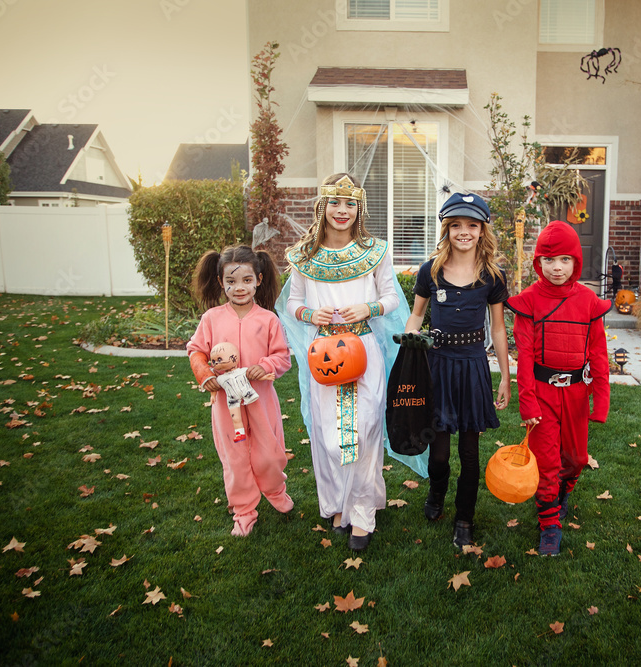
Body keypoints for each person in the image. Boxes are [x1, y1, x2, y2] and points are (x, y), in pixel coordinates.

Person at [281, 172, 414, 552]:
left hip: (364, 349)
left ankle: (362, 514)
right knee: (330, 435)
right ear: (323, 206)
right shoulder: (304, 257)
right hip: (323, 352)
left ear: (360, 208)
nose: (342, 211)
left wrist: (368, 308)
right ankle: (338, 504)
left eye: (350, 204)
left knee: (365, 430)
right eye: (335, 203)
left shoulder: (376, 252)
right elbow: (292, 303)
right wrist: (310, 314)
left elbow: (391, 297)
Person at [405, 192, 510, 549]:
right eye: (456, 225)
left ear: (482, 230)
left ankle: (465, 517)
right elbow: (417, 315)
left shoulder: (492, 276)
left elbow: (498, 329)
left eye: (472, 225)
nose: (464, 232)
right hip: (438, 367)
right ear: (447, 230)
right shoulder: (430, 271)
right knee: (438, 452)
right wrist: (410, 343)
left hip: (473, 368)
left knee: (469, 453)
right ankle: (436, 493)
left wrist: (505, 377)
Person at [506, 220, 610, 556]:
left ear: (576, 262)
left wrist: (600, 401)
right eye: (549, 260)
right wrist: (528, 403)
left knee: (576, 458)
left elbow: (599, 354)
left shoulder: (588, 301)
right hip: (542, 392)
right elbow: (524, 356)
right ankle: (549, 523)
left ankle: (563, 491)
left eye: (565, 260)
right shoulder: (529, 301)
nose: (557, 268)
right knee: (547, 461)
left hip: (576, 392)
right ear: (538, 262)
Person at [187, 245, 293, 537]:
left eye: (246, 280)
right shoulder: (211, 319)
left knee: (269, 453)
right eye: (231, 281)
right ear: (220, 282)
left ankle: (275, 488)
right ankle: (244, 510)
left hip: (261, 399)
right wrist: (205, 375)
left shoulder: (268, 320)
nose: (239, 288)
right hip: (226, 403)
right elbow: (196, 351)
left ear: (259, 279)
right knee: (235, 456)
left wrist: (265, 365)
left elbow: (282, 357)